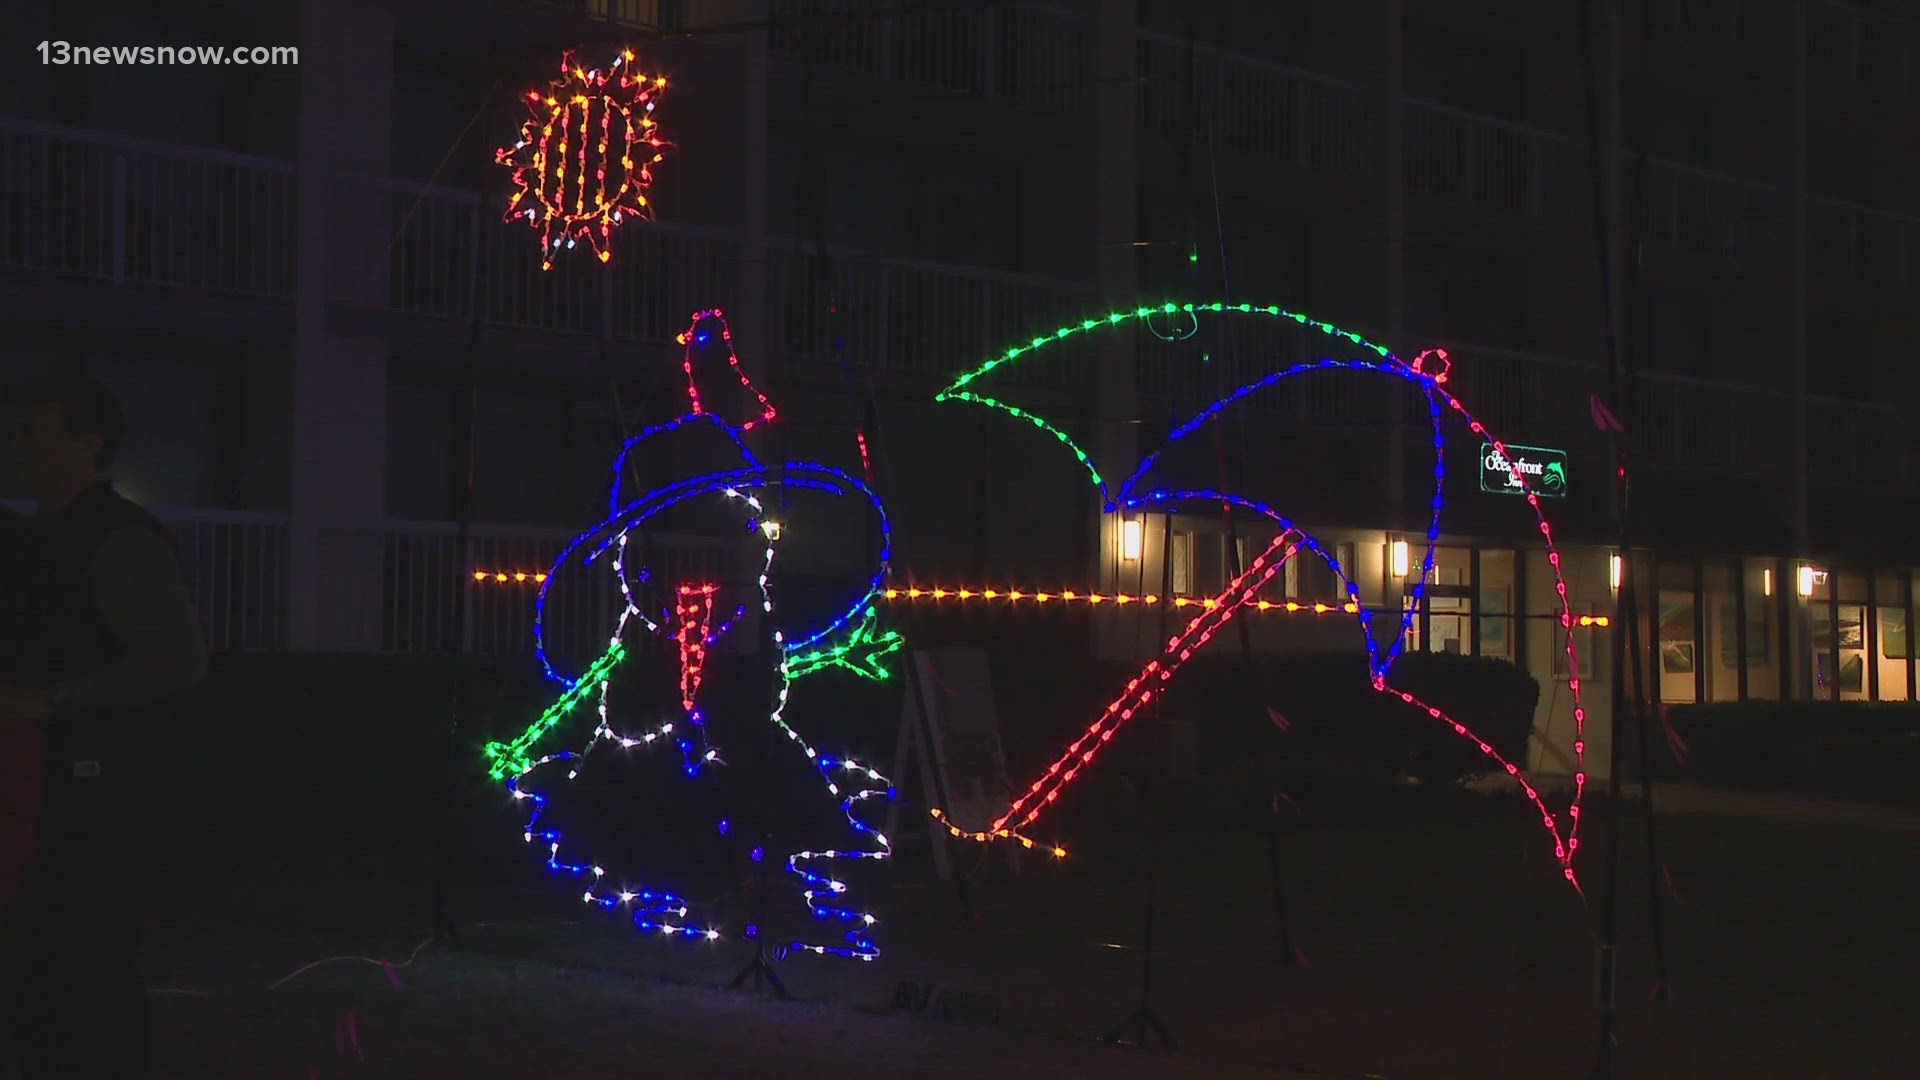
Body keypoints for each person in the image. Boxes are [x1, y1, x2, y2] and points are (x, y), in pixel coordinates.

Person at [0, 373, 208, 1079]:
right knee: (36, 955)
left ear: (87, 444)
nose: (13, 443)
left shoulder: (116, 540)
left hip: (93, 784)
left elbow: (179, 659)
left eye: (30, 429)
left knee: (85, 956)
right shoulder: (36, 538)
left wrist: (53, 700)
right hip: (34, 780)